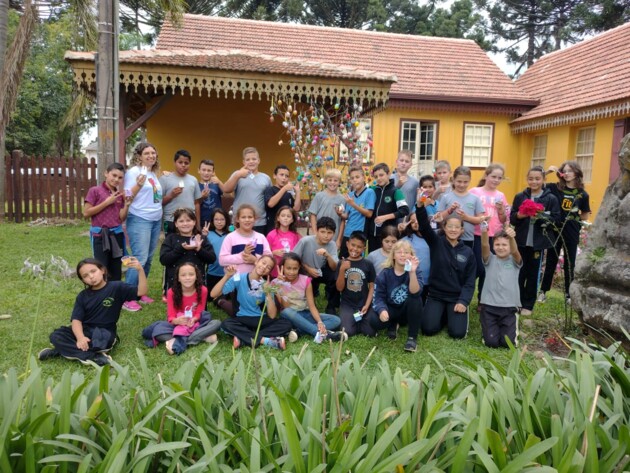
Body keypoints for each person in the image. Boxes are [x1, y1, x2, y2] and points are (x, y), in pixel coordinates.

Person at [38, 257, 147, 366]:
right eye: (85, 276)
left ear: (102, 270)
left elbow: (141, 291)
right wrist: (80, 338)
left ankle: (60, 351)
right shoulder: (82, 296)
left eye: (93, 271)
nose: (91, 276)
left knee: (103, 341)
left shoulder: (117, 287)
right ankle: (93, 357)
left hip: (103, 331)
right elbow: (76, 320)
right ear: (83, 280)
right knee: (56, 336)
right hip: (84, 330)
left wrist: (140, 270)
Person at [416, 198, 476, 339]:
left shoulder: (468, 252)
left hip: (456, 297)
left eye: (457, 227)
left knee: (457, 334)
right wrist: (420, 206)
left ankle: (450, 314)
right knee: (428, 329)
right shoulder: (436, 242)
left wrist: (463, 301)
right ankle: (441, 314)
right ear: (444, 227)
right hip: (436, 295)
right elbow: (424, 226)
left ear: (462, 230)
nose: (453, 230)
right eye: (450, 226)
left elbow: (470, 281)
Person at [212, 255, 293, 350]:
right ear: (256, 262)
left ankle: (243, 338)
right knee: (226, 324)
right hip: (242, 318)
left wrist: (267, 293)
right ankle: (266, 340)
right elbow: (214, 294)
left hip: (260, 319)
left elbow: (272, 315)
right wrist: (227, 275)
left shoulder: (266, 285)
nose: (264, 267)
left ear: (268, 272)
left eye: (268, 267)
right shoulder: (239, 278)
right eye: (263, 263)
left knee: (286, 324)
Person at [510, 166, 561, 315]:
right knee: (519, 272)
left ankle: (528, 305)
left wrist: (540, 216)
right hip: (520, 242)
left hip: (538, 244)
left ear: (544, 179)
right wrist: (520, 215)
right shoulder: (520, 196)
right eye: (531, 178)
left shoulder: (550, 198)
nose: (534, 181)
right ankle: (516, 302)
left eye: (537, 179)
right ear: (527, 179)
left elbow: (556, 219)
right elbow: (513, 217)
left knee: (533, 274)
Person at [538, 161, 591, 303]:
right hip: (554, 229)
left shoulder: (582, 194)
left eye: (570, 171)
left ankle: (569, 294)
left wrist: (572, 219)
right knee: (551, 261)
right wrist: (547, 172)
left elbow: (585, 215)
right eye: (564, 171)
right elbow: (537, 184)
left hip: (571, 231)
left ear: (577, 173)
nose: (566, 173)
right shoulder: (555, 188)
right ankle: (543, 292)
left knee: (570, 261)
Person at [122, 142, 163, 312]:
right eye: (147, 153)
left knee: (149, 258)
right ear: (139, 156)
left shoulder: (153, 173)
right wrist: (138, 184)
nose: (151, 156)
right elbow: (127, 194)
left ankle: (140, 292)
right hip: (140, 219)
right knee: (139, 257)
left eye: (153, 153)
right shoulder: (133, 172)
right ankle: (127, 297)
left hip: (155, 220)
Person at [273, 253, 344, 342]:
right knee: (286, 311)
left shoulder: (305, 280)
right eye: (288, 268)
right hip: (290, 317)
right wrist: (281, 285)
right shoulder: (275, 283)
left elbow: (311, 305)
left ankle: (299, 332)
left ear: (299, 268)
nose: (291, 272)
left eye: (295, 268)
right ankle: (322, 334)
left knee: (336, 320)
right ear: (282, 267)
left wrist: (319, 322)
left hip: (305, 314)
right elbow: (286, 306)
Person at [367, 240, 423, 352]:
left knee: (416, 299)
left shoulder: (415, 271)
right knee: (373, 319)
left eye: (406, 252)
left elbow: (415, 292)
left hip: (407, 309)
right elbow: (378, 297)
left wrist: (412, 272)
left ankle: (412, 338)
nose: (402, 255)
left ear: (411, 256)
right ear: (393, 256)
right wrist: (382, 310)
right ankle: (393, 323)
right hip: (391, 309)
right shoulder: (384, 274)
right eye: (399, 252)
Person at [83, 162, 131, 281]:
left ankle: (115, 296)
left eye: (120, 177)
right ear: (106, 173)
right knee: (101, 267)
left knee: (116, 267)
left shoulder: (119, 195)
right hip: (100, 235)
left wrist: (126, 205)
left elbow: (121, 218)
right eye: (114, 175)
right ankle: (102, 295)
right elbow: (86, 213)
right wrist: (107, 202)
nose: (116, 179)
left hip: (116, 235)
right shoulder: (95, 191)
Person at [470, 164, 510, 304]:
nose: (496, 180)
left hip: (494, 236)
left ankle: (483, 300)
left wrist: (500, 210)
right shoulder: (475, 191)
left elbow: (504, 219)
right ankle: (465, 296)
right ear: (486, 176)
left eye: (499, 178)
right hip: (477, 235)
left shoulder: (501, 195)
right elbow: (468, 210)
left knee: (488, 269)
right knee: (477, 267)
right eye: (493, 176)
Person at [162, 263, 221, 355]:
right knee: (158, 329)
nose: (187, 278)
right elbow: (171, 316)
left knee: (217, 323)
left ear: (196, 276)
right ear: (178, 278)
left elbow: (200, 312)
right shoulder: (171, 292)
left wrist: (194, 319)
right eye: (183, 275)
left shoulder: (203, 290)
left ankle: (178, 340)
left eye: (191, 274)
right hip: (178, 325)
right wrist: (177, 321)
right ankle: (201, 337)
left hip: (197, 324)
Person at [479, 223, 522, 348]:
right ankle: (488, 331)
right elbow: (484, 245)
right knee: (491, 343)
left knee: (508, 344)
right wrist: (484, 230)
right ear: (493, 246)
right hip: (489, 307)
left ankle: (509, 330)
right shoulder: (489, 259)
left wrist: (511, 237)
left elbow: (515, 251)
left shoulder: (515, 261)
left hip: (508, 308)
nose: (501, 247)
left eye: (504, 244)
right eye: (497, 244)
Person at [160, 208, 215, 294]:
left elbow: (212, 259)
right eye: (181, 221)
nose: (185, 224)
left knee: (198, 306)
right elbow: (164, 260)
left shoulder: (201, 239)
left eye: (188, 220)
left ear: (194, 222)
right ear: (176, 224)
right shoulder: (170, 239)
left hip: (198, 284)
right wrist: (181, 249)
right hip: (175, 284)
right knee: (177, 306)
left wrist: (199, 249)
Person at [293, 216, 340, 314]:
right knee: (309, 294)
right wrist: (308, 268)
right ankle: (308, 301)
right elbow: (293, 259)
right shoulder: (305, 241)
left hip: (320, 270)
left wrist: (327, 255)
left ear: (334, 234)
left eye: (329, 233)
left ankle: (331, 306)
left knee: (335, 275)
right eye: (322, 232)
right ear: (317, 231)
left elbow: (334, 267)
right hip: (304, 271)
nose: (326, 236)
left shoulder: (332, 245)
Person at [222, 147, 272, 233]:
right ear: (244, 162)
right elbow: (226, 189)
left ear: (259, 160)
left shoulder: (266, 178)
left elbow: (270, 200)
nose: (251, 161)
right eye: (248, 159)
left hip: (259, 222)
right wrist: (238, 175)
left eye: (254, 159)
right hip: (239, 221)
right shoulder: (237, 174)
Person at [336, 231, 376, 337]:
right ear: (347, 244)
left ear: (364, 249)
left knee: (370, 332)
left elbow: (372, 287)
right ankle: (354, 321)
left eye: (359, 247)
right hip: (347, 304)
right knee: (348, 331)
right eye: (353, 245)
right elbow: (339, 288)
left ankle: (357, 321)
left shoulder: (368, 264)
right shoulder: (341, 263)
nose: (355, 249)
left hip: (363, 303)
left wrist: (367, 305)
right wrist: (342, 270)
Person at [437, 166, 485, 248]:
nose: (462, 185)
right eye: (459, 181)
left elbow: (481, 219)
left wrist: (466, 217)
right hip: (447, 237)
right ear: (453, 180)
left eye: (465, 182)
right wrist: (449, 210)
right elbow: (439, 218)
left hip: (467, 238)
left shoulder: (475, 198)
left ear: (469, 181)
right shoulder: (446, 197)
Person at [366, 163, 409, 251]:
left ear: (389, 174)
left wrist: (385, 217)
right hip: (372, 235)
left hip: (388, 236)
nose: (379, 178)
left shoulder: (396, 191)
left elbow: (405, 210)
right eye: (376, 176)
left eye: (381, 175)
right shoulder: (372, 190)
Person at [219, 204, 272, 274]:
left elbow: (269, 260)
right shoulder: (230, 237)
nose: (247, 220)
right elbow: (222, 260)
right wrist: (243, 256)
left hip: (256, 281)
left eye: (250, 217)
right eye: (243, 217)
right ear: (237, 219)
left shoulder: (261, 237)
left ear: (255, 219)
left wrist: (255, 260)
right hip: (235, 281)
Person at [159, 149, 202, 234]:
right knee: (172, 246)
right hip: (171, 221)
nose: (183, 165)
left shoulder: (193, 180)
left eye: (186, 163)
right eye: (180, 162)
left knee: (189, 246)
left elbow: (196, 203)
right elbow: (158, 202)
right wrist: (171, 195)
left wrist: (198, 223)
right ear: (175, 162)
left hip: (189, 220)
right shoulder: (165, 179)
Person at [340, 166, 375, 259]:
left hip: (359, 233)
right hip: (347, 233)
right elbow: (346, 216)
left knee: (356, 261)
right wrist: (339, 213)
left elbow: (369, 213)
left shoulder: (369, 192)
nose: (355, 180)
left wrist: (353, 204)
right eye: (352, 178)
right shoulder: (350, 195)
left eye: (357, 177)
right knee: (343, 259)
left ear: (363, 177)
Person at [308, 168, 346, 246]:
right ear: (325, 181)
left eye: (335, 180)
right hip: (320, 233)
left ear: (339, 182)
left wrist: (339, 239)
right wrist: (315, 234)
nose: (332, 183)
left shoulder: (342, 199)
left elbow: (343, 220)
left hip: (333, 236)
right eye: (330, 180)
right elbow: (313, 216)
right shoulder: (319, 196)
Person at [398, 213, 431, 299]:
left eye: (418, 220)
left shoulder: (433, 237)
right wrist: (399, 231)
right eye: (412, 222)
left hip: (431, 281)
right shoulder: (407, 239)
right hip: (412, 280)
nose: (416, 222)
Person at [202, 208, 231, 299]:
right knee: (210, 297)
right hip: (212, 272)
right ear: (212, 221)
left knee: (226, 296)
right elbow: (201, 250)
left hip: (227, 273)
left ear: (226, 220)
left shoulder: (230, 235)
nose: (219, 222)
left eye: (222, 219)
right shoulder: (208, 234)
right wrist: (204, 236)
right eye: (216, 219)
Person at [264, 165, 302, 234]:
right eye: (281, 175)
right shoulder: (270, 189)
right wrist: (284, 189)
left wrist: (298, 192)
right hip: (273, 230)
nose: (284, 178)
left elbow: (296, 208)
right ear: (274, 176)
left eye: (286, 176)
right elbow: (270, 204)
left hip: (288, 229)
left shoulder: (288, 193)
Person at [266, 206, 301, 277]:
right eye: (283, 216)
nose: (285, 218)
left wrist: (293, 253)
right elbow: (266, 253)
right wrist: (274, 252)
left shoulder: (296, 236)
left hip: (290, 272)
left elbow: (300, 253)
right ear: (278, 218)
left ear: (292, 220)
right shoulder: (271, 234)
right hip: (275, 271)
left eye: (288, 216)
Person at [198, 159, 224, 229]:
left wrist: (219, 182)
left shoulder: (217, 184)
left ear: (213, 172)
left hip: (217, 221)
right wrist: (202, 197)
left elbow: (228, 194)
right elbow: (195, 203)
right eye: (203, 170)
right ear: (199, 170)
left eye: (209, 170)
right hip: (202, 221)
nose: (206, 173)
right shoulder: (196, 186)